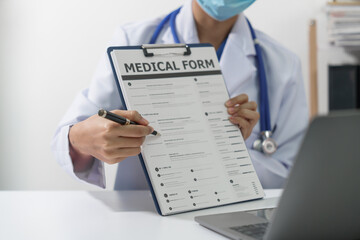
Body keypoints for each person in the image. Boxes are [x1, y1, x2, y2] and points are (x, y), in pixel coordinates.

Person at [51, 0, 308, 189]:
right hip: (147, 223)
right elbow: (71, 138)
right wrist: (83, 139)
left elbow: (292, 175)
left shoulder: (283, 63)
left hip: (237, 219)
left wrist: (227, 148)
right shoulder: (132, 40)